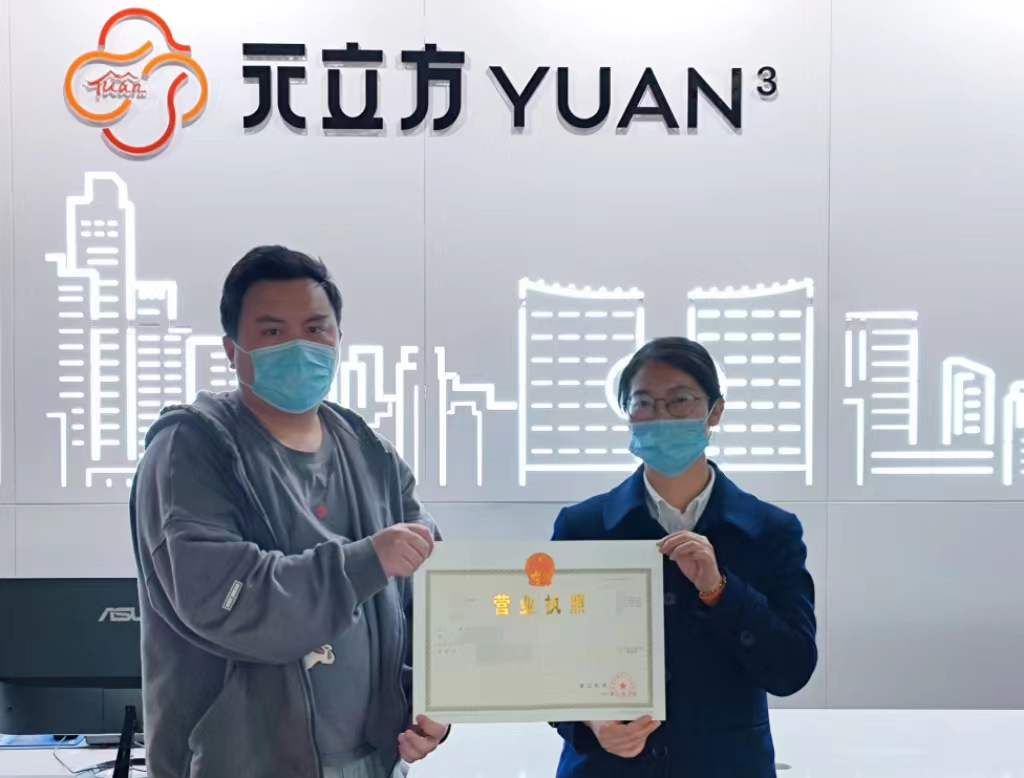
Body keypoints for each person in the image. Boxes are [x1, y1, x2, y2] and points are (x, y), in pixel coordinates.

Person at [130, 245, 448, 778]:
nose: (300, 347)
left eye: (316, 329)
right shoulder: (193, 448)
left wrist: (434, 701)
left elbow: (430, 599)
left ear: (338, 339)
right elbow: (227, 600)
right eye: (273, 332)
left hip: (373, 762)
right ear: (232, 350)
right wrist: (365, 562)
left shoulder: (370, 452)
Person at [551, 336, 817, 778]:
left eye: (680, 401)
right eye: (644, 402)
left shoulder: (770, 531)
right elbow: (551, 656)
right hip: (606, 767)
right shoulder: (584, 527)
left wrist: (720, 591)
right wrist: (589, 723)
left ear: (715, 412)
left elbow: (791, 669)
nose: (661, 416)